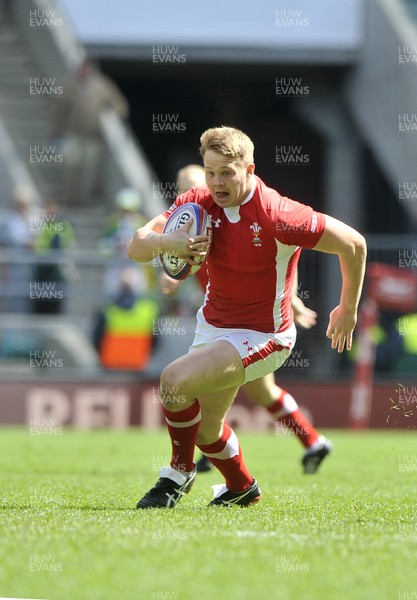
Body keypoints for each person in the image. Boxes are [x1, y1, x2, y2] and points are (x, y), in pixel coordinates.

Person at [127, 126, 366, 508]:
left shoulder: (278, 213)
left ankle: (176, 473)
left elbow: (354, 244)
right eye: (210, 172)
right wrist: (166, 242)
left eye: (226, 172)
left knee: (173, 382)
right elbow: (137, 245)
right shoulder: (199, 202)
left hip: (264, 335)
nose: (216, 182)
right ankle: (243, 489)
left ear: (249, 169)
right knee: (206, 431)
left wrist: (348, 309)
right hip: (214, 326)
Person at [164, 164, 332, 475]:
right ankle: (312, 443)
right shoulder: (193, 221)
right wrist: (175, 275)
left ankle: (207, 459)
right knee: (258, 392)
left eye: (191, 184)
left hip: (250, 328)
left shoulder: (231, 215)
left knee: (224, 390)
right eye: (180, 187)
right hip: (223, 325)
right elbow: (193, 264)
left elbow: (278, 256)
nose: (185, 192)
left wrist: (291, 299)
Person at [52, 58, 129, 206]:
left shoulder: (103, 86)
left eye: (87, 69)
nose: (84, 72)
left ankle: (85, 200)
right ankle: (70, 198)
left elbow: (121, 105)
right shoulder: (69, 86)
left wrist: (115, 117)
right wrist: (56, 132)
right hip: (73, 134)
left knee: (90, 170)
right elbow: (59, 111)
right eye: (82, 68)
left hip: (93, 136)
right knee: (71, 165)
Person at [92, 268, 159, 370]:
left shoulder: (107, 308)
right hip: (137, 365)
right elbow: (156, 341)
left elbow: (96, 338)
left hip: (110, 365)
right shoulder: (150, 309)